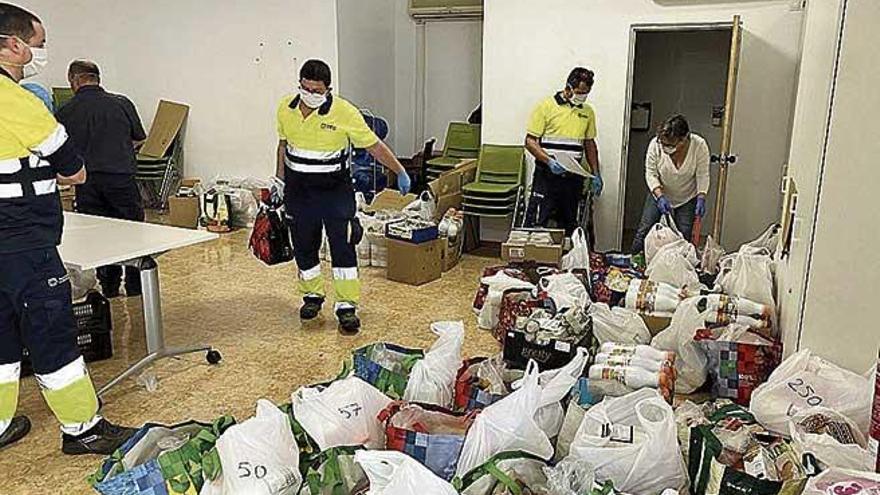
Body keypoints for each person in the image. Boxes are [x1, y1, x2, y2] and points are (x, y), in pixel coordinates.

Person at [0, 3, 135, 453]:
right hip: (24, 240)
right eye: (38, 45)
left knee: (1, 334)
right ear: (14, 45)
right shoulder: (18, 102)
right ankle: (83, 428)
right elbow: (74, 170)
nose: (41, 54)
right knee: (52, 330)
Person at [275, 59, 411, 334]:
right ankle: (312, 296)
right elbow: (282, 145)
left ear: (328, 89)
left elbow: (373, 145)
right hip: (299, 191)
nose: (310, 95)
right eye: (306, 88)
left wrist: (399, 169)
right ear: (299, 84)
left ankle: (346, 306)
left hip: (334, 191)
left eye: (317, 91)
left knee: (343, 245)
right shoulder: (285, 108)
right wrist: (278, 179)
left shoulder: (343, 112)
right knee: (304, 245)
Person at [56, 60, 147, 298]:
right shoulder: (121, 103)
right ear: (97, 78)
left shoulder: (65, 111)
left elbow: (60, 150)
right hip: (121, 178)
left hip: (87, 183)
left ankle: (109, 286)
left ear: (74, 80)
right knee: (132, 231)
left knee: (99, 235)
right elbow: (139, 138)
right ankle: (136, 285)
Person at [524, 67, 603, 245]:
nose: (582, 96)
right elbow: (530, 142)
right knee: (539, 220)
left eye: (586, 93)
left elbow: (589, 143)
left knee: (569, 224)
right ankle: (535, 261)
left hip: (572, 177)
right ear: (568, 88)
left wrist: (595, 173)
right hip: (547, 174)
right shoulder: (545, 106)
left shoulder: (587, 112)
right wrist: (549, 161)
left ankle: (566, 267)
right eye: (579, 92)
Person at [631, 114, 710, 253]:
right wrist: (660, 196)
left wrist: (701, 197)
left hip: (687, 197)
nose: (665, 148)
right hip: (659, 193)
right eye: (663, 143)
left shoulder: (699, 146)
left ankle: (678, 268)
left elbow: (703, 175)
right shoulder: (655, 145)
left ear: (684, 139)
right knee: (645, 229)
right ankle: (634, 262)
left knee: (683, 235)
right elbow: (651, 173)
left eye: (670, 145)